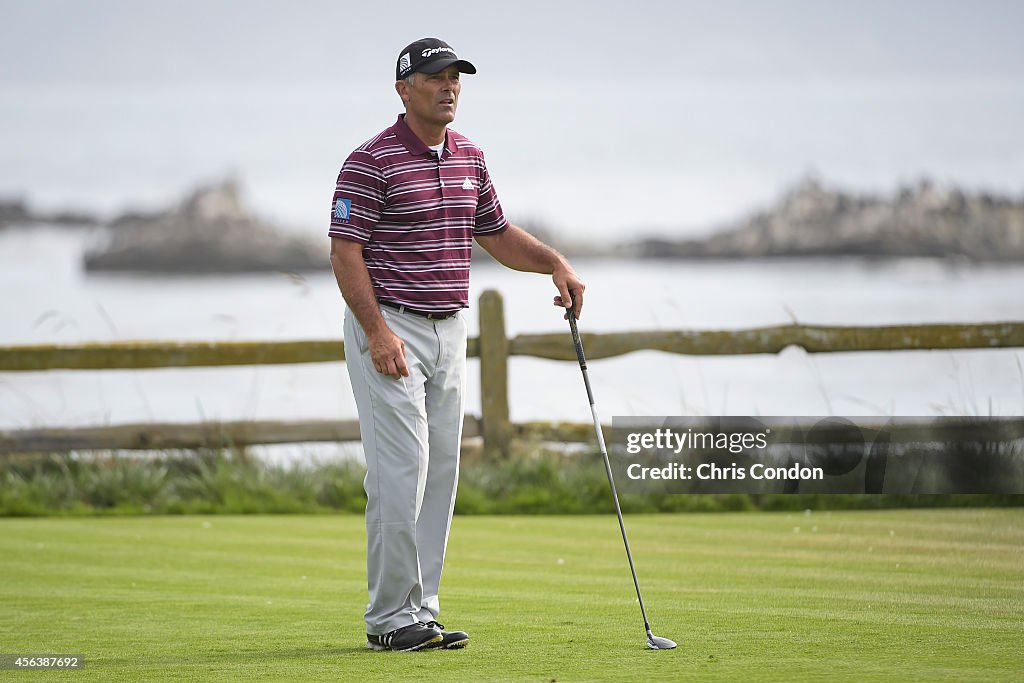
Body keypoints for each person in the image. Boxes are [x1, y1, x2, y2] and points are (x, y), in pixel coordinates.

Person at [328, 37, 585, 653]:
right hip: (391, 325)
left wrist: (554, 263)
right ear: (404, 88)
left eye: (456, 79)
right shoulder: (371, 161)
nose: (450, 88)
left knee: (441, 468)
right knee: (402, 469)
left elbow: (495, 234)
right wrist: (377, 332)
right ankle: (390, 618)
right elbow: (344, 253)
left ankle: (423, 609)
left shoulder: (469, 156)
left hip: (450, 328)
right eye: (436, 77)